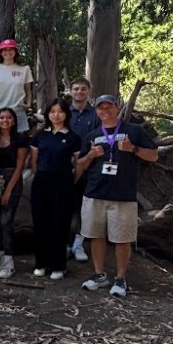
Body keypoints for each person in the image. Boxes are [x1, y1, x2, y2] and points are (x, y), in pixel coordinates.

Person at [75, 94, 158, 297]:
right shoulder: (92, 135)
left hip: (123, 195)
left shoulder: (133, 131)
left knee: (122, 239)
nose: (105, 111)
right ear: (96, 111)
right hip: (95, 193)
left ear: (117, 107)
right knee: (96, 236)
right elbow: (80, 165)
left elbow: (154, 155)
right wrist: (90, 156)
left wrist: (133, 149)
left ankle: (120, 279)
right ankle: (99, 275)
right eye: (101, 108)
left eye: (109, 107)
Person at [31, 99, 82, 280]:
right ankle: (41, 263)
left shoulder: (73, 138)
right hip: (41, 182)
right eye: (52, 111)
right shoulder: (39, 136)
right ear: (47, 114)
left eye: (60, 111)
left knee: (60, 224)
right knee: (40, 222)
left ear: (66, 114)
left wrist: (68, 181)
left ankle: (58, 266)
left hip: (63, 183)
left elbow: (78, 164)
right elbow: (34, 162)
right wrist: (43, 177)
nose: (56, 115)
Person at [0, 107, 29, 278]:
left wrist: (8, 191)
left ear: (14, 121)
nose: (5, 120)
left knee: (6, 221)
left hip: (13, 180)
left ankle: (9, 261)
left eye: (9, 117)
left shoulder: (20, 139)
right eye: (2, 117)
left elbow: (20, 167)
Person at [67, 77, 96, 262]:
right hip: (64, 167)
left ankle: (78, 244)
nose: (79, 92)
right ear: (70, 91)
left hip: (89, 168)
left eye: (83, 89)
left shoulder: (95, 115)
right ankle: (64, 244)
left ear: (88, 92)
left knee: (84, 208)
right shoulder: (62, 111)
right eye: (76, 89)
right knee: (64, 206)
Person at [0, 39, 33, 133]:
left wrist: (28, 103)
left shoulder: (24, 69)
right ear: (0, 52)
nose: (8, 52)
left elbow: (28, 89)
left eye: (11, 49)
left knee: (20, 139)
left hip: (17, 108)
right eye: (5, 50)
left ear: (15, 51)